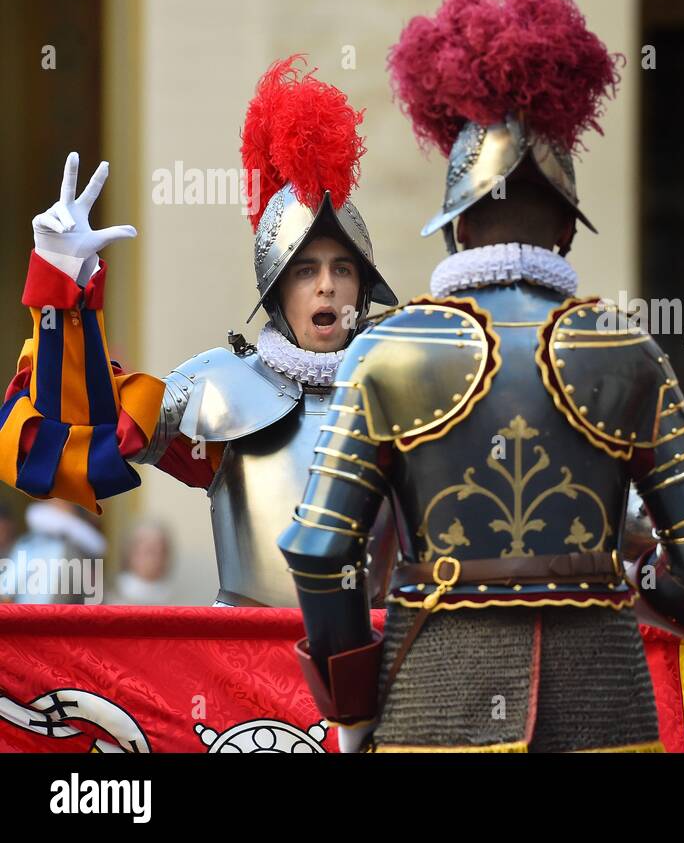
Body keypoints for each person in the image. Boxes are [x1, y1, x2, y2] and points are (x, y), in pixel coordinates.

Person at [278, 0, 684, 753]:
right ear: (567, 225)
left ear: (457, 227)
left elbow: (323, 550)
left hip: (435, 690)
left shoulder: (389, 349)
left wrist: (352, 704)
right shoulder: (626, 347)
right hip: (601, 694)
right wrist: (654, 590)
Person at [0, 56, 398, 608]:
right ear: (278, 293)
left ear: (363, 286)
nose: (326, 286)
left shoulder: (405, 392)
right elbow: (69, 441)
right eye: (305, 270)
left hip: (377, 668)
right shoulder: (221, 390)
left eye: (342, 268)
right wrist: (61, 290)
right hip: (246, 675)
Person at [106, 521, 177, 606]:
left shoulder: (173, 597)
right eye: (148, 551)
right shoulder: (116, 592)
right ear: (131, 553)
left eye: (158, 552)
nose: (154, 559)